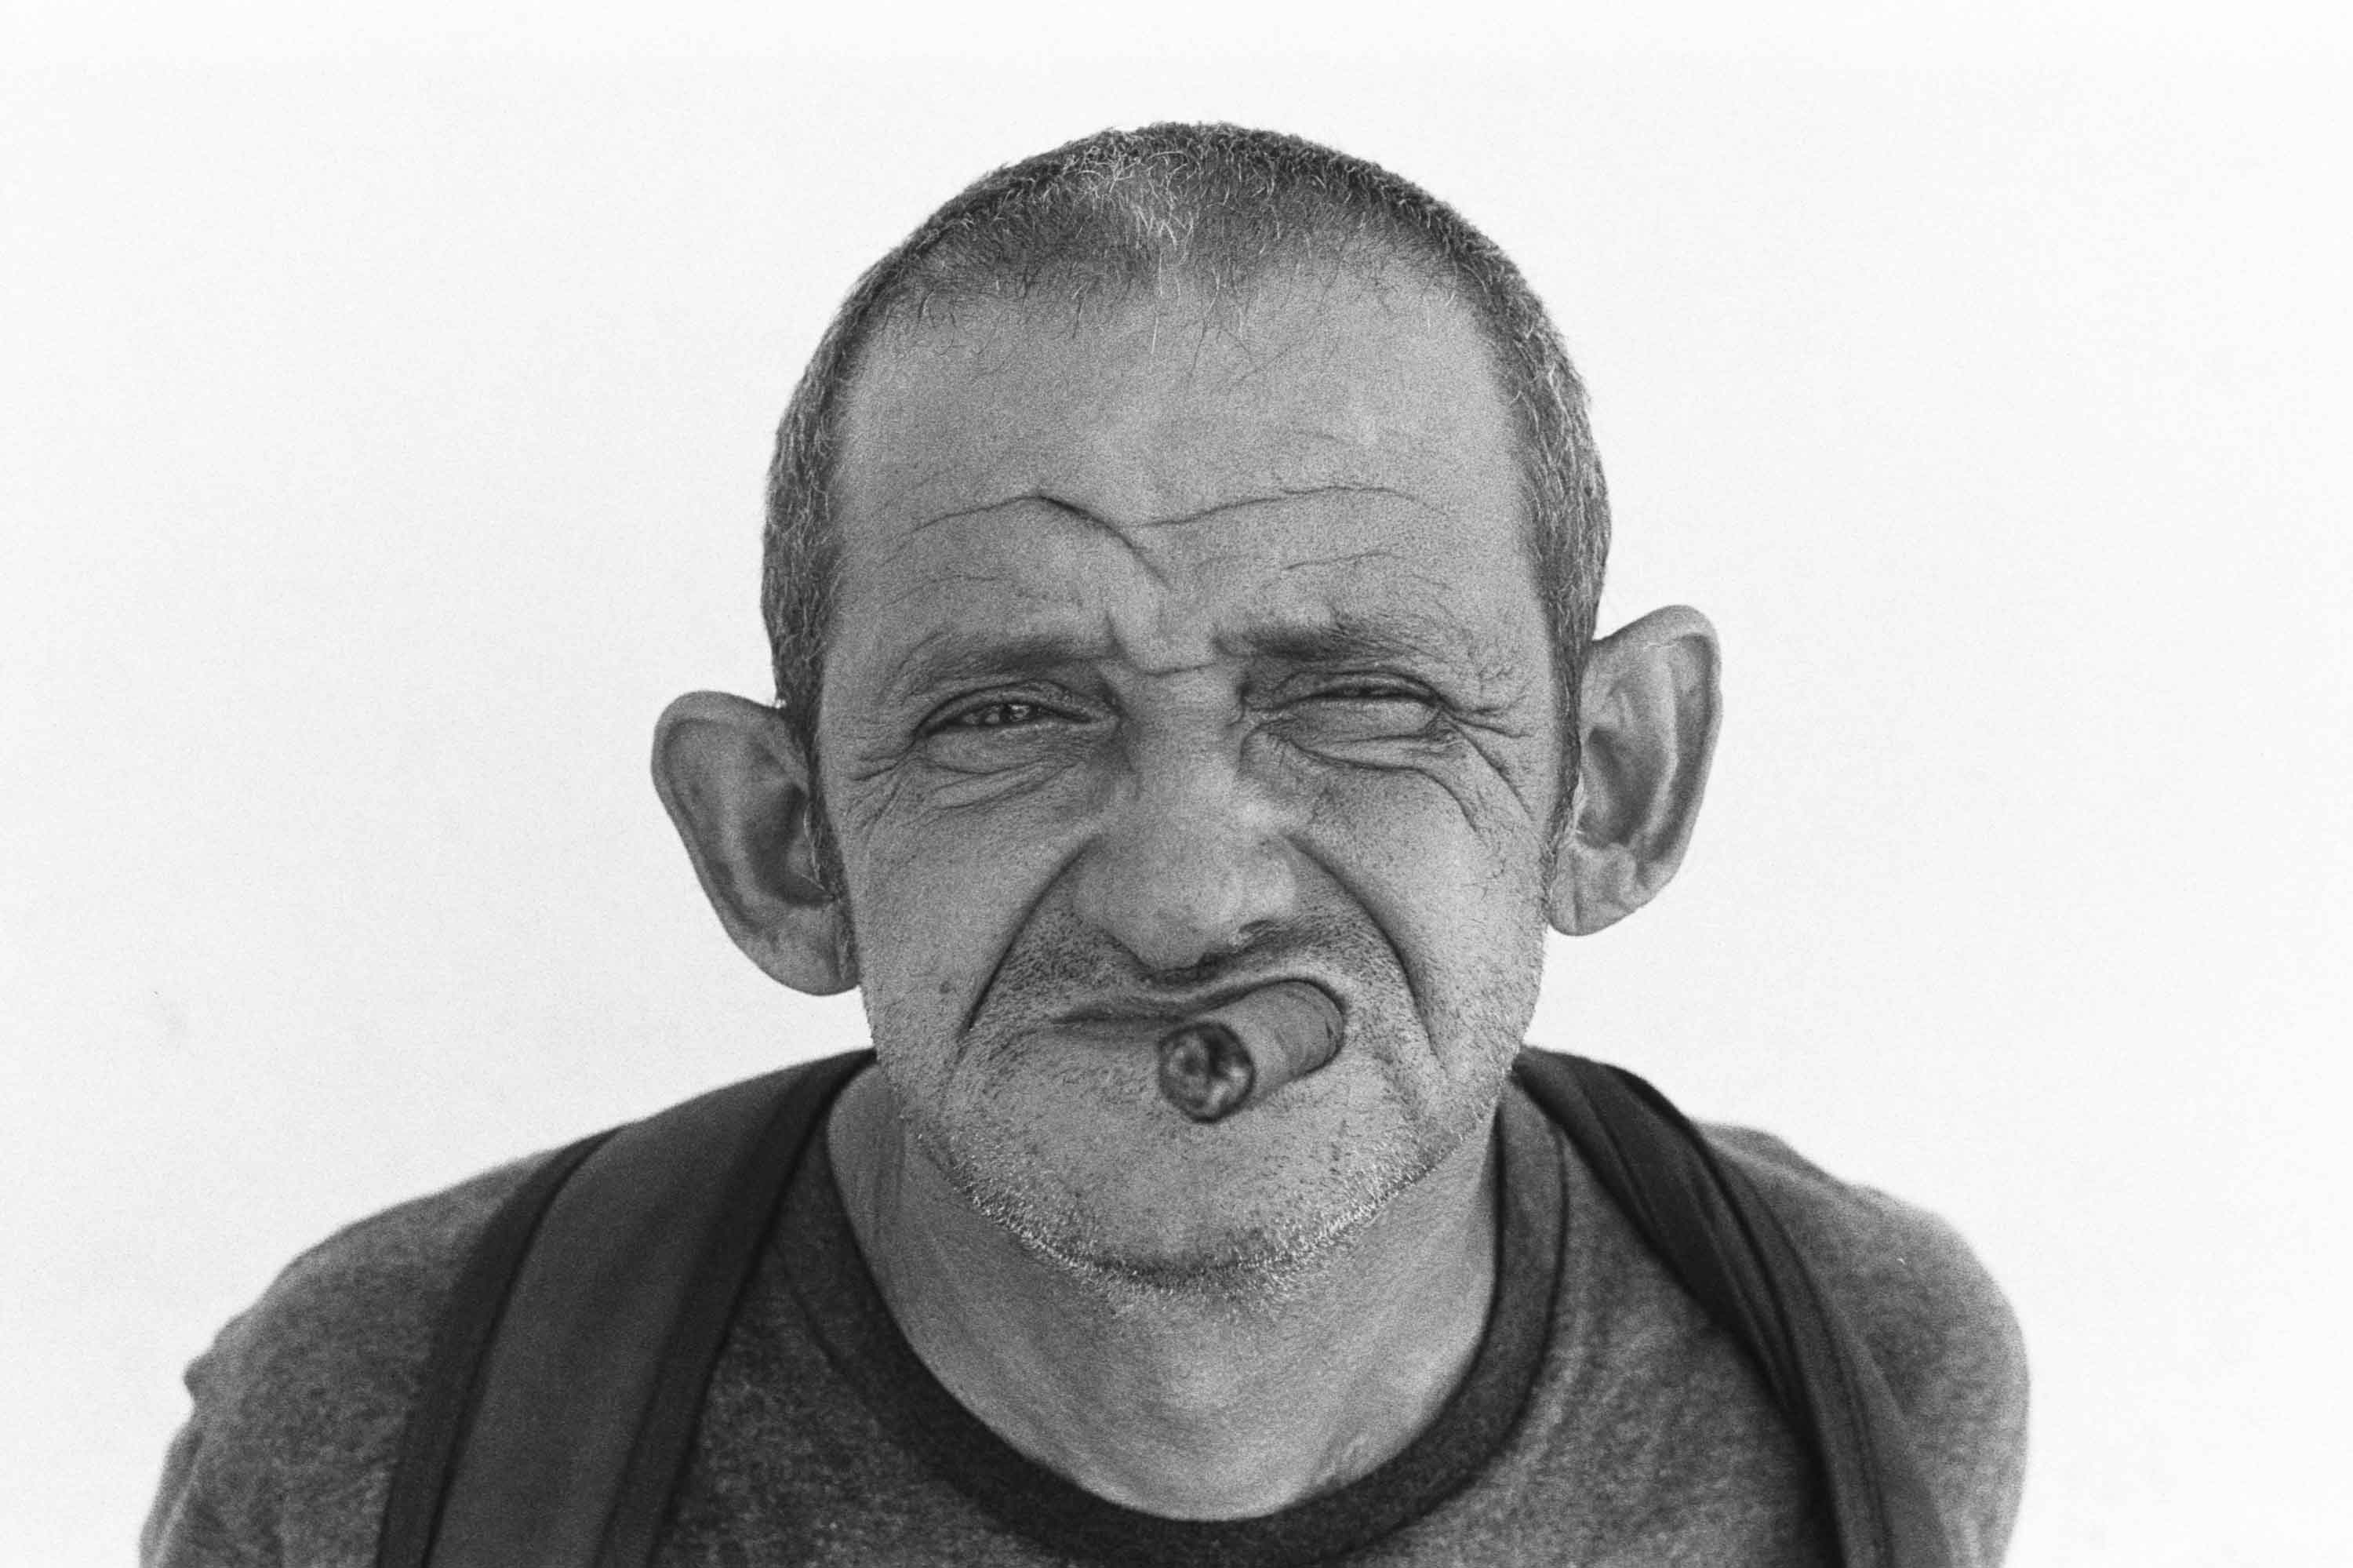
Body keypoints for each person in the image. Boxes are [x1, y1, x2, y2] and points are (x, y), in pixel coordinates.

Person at [144, 123, 2030, 1567]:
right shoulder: (381, 1430)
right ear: (783, 848)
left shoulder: (1864, 1376)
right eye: (1006, 716)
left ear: (1611, 783)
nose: (1186, 897)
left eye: (1361, 697)